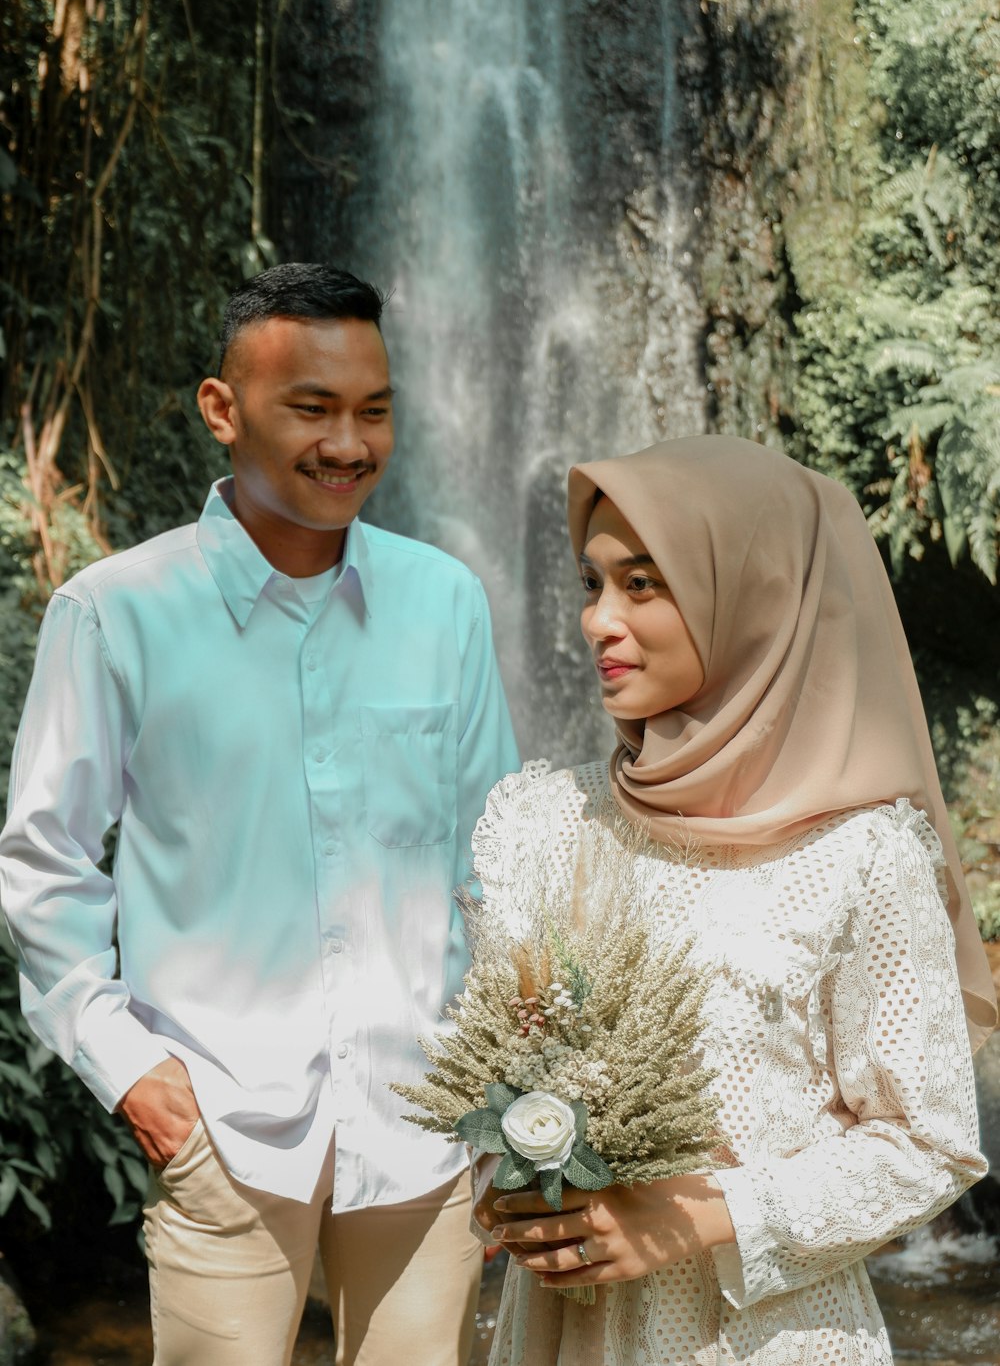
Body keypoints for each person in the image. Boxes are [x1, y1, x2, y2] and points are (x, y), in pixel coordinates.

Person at [0, 263, 520, 1366]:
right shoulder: (115, 614)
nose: (349, 444)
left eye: (374, 411)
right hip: (224, 1128)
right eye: (314, 408)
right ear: (222, 410)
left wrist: (502, 1093)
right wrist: (129, 1069)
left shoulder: (445, 603)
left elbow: (497, 852)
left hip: (427, 1130)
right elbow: (43, 858)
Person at [470, 436, 996, 1365]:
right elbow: (493, 1072)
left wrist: (698, 1218)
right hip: (566, 1334)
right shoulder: (547, 825)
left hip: (771, 1338)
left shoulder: (860, 853)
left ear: (751, 600)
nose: (598, 621)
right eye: (592, 585)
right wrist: (509, 1183)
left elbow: (930, 1147)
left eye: (641, 584)